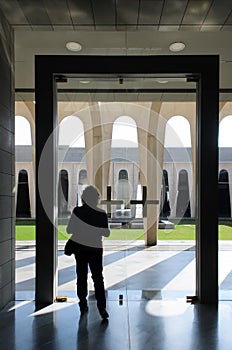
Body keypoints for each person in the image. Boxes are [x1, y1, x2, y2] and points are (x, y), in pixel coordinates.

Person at [65, 185, 110, 319]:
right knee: (98, 278)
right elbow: (106, 233)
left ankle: (83, 303)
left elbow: (69, 230)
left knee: (81, 275)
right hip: (95, 248)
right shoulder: (101, 213)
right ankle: (101, 307)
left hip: (81, 248)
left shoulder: (78, 212)